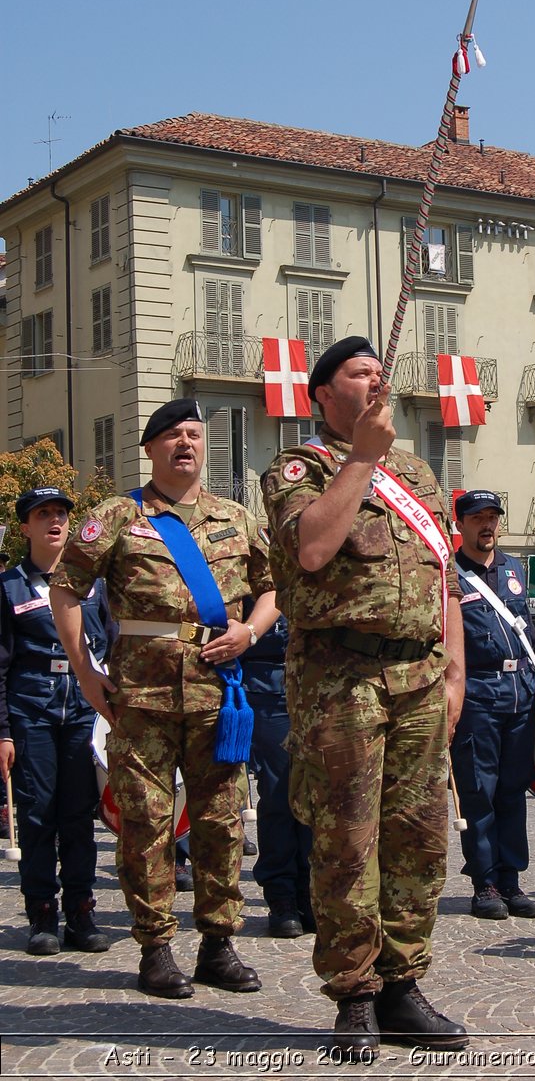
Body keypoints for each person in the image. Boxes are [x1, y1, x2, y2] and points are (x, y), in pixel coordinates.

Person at [264, 336, 468, 1056]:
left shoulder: (415, 471)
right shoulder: (301, 467)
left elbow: (443, 578)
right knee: (348, 842)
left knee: (419, 839)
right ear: (324, 394)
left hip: (419, 677)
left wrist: (455, 673)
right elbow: (313, 549)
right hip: (342, 680)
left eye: (380, 372)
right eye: (359, 373)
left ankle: (404, 984)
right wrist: (361, 461)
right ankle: (354, 994)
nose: (376, 380)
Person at [49, 398, 277, 998]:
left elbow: (274, 588)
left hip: (217, 698)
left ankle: (217, 945)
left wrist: (250, 631)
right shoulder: (117, 517)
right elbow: (67, 588)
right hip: (140, 698)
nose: (186, 444)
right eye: (173, 435)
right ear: (150, 449)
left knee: (221, 823)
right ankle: (155, 948)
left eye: (195, 435)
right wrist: (84, 671)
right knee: (147, 825)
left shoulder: (236, 517)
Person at [0, 487, 111, 955]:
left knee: (79, 816)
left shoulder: (93, 584)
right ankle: (42, 912)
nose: (54, 520)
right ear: (25, 527)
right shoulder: (8, 588)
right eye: (42, 514)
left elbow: (110, 643)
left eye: (61, 513)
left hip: (84, 709)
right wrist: (3, 731)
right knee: (38, 813)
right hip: (33, 711)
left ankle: (82, 912)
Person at [450, 490, 535, 920]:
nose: (488, 525)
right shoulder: (449, 571)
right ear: (461, 525)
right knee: (479, 791)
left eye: (493, 516)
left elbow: (525, 630)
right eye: (478, 518)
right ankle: (485, 882)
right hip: (477, 692)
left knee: (514, 790)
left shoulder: (514, 568)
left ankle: (511, 879)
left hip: (519, 692)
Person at [240, 587, 314, 938]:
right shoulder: (252, 538)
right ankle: (282, 895)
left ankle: (311, 891)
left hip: (320, 683)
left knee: (320, 795)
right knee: (280, 791)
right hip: (267, 683)